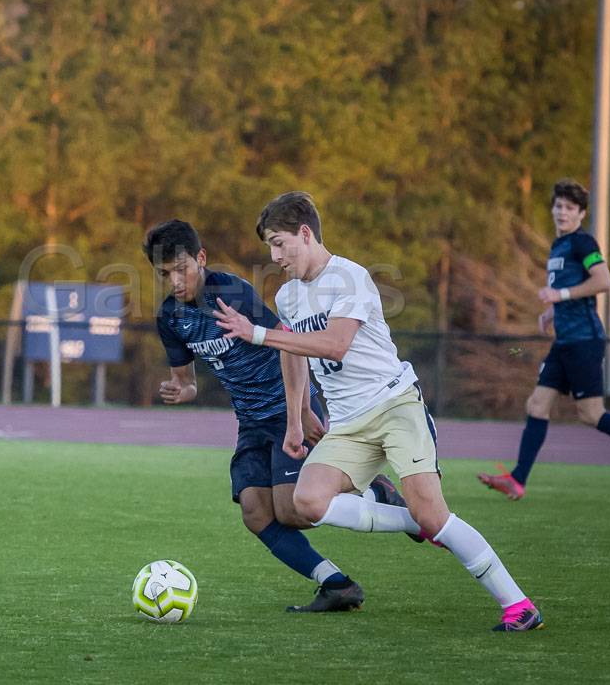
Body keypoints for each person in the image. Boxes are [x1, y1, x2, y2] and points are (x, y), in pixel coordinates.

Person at [212, 192, 542, 632]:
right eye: (269, 247)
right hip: (348, 423)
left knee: (435, 516)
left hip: (394, 407)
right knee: (306, 502)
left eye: (279, 243)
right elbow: (293, 354)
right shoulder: (289, 296)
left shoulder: (350, 277)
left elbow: (334, 345)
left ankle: (519, 606)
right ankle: (408, 517)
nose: (274, 256)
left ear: (305, 233)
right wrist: (295, 420)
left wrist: (256, 333)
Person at [145, 219, 413, 614]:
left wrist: (301, 411)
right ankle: (335, 584)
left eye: (181, 269)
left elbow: (290, 344)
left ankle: (374, 490)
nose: (175, 281)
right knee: (255, 511)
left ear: (201, 259)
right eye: (164, 274)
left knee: (291, 510)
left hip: (287, 408)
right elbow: (186, 382)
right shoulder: (170, 317)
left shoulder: (231, 292)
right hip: (250, 421)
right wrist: (180, 390)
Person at [479, 178, 610, 499]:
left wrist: (560, 294)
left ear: (581, 214)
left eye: (569, 208)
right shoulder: (558, 246)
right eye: (558, 206)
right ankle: (517, 480)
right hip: (564, 342)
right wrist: (552, 311)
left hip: (584, 340)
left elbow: (603, 281)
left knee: (591, 414)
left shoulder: (583, 243)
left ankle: (518, 478)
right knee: (537, 404)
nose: (562, 212)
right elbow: (569, 292)